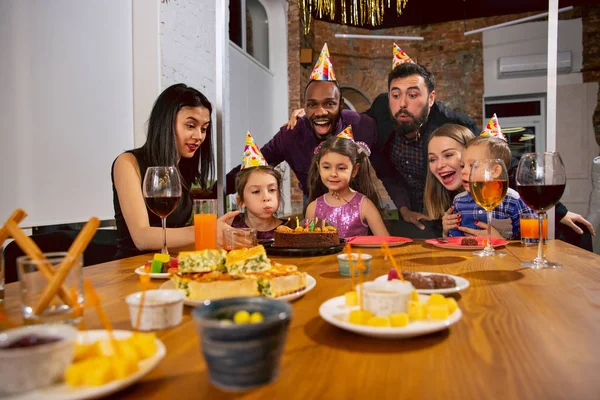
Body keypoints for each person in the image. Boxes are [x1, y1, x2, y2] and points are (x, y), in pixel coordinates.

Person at [226, 43, 377, 202]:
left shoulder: (361, 124)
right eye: (312, 105)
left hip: (357, 205)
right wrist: (215, 190)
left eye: (329, 104)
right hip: (314, 205)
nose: (320, 112)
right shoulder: (291, 134)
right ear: (304, 106)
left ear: (340, 104)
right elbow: (254, 165)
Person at [111, 83, 238, 259]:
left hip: (170, 265)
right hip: (131, 268)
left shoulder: (182, 170)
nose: (199, 136)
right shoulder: (128, 163)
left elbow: (177, 238)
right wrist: (205, 230)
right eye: (190, 126)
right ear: (166, 123)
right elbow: (142, 237)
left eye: (204, 128)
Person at [304, 129, 389, 238]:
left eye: (341, 168)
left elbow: (385, 242)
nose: (333, 174)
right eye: (326, 167)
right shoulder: (313, 208)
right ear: (318, 167)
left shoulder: (364, 205)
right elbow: (307, 244)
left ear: (354, 170)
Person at [444, 136, 532, 238]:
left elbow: (532, 240)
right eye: (463, 165)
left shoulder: (513, 201)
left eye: (473, 165)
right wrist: (447, 232)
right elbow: (453, 236)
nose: (463, 171)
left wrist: (500, 240)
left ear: (495, 171)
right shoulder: (458, 201)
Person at [230, 132, 284, 240]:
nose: (266, 197)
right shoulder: (231, 228)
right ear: (241, 201)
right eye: (256, 191)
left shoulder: (288, 229)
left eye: (272, 190)